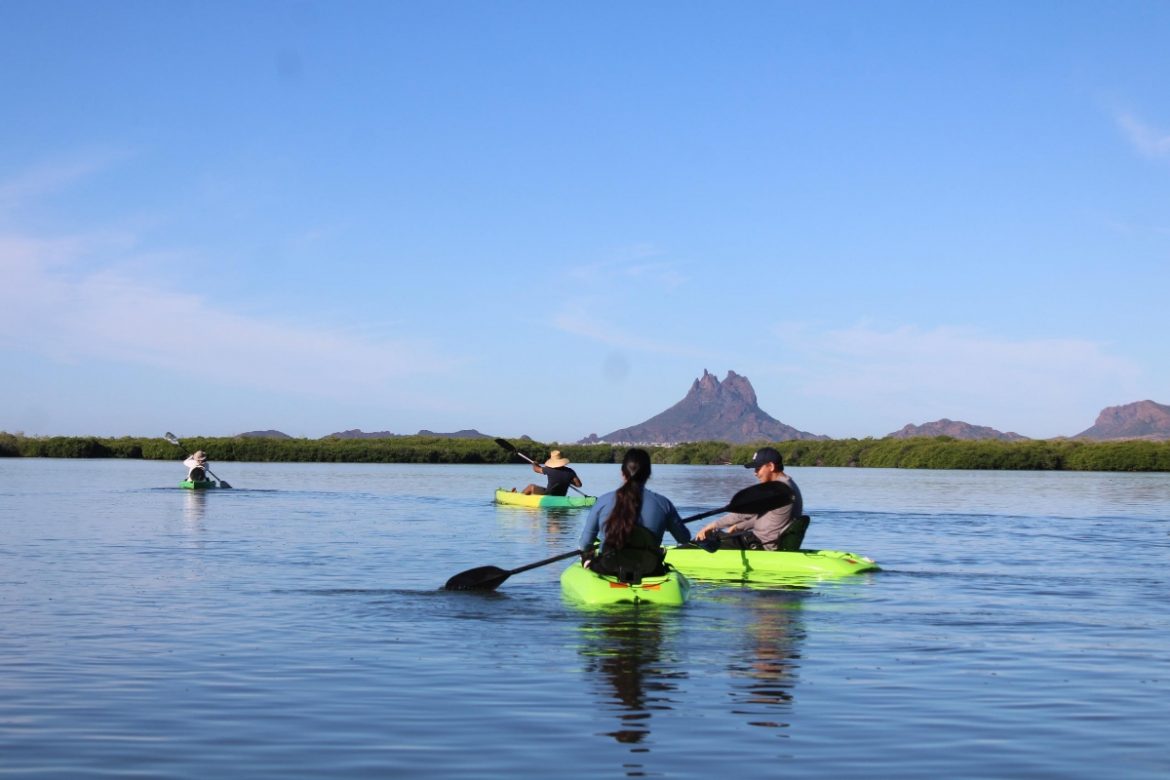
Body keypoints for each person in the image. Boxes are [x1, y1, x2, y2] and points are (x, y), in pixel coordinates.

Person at [577, 448, 692, 582]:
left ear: (622, 473)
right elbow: (684, 539)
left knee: (587, 554)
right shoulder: (663, 504)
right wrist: (667, 524)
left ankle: (588, 565)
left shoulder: (603, 501)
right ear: (648, 474)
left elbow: (585, 544)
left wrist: (587, 554)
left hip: (609, 568)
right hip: (650, 570)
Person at [694, 447, 806, 551]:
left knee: (705, 540)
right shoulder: (789, 484)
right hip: (769, 542)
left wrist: (711, 526)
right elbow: (769, 518)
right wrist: (739, 527)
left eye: (758, 468)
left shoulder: (776, 490)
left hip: (759, 545)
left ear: (771, 466)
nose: (755, 473)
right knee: (720, 535)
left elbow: (742, 514)